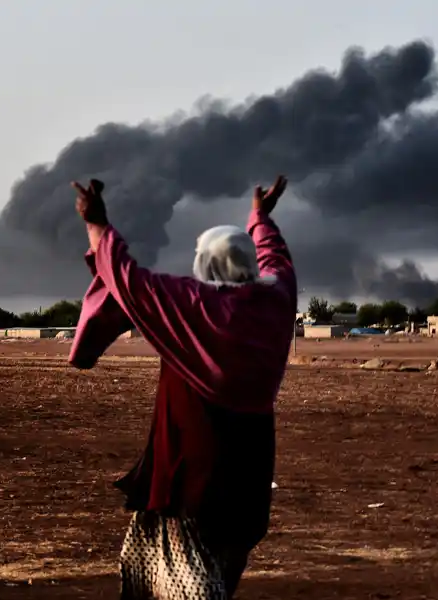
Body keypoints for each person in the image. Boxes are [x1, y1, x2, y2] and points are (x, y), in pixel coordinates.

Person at [68, 176, 296, 599]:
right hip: (249, 478)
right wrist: (261, 218)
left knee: (191, 586)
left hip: (192, 479)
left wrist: (96, 224)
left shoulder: (194, 306)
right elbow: (276, 257)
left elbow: (127, 279)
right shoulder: (276, 301)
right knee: (219, 575)